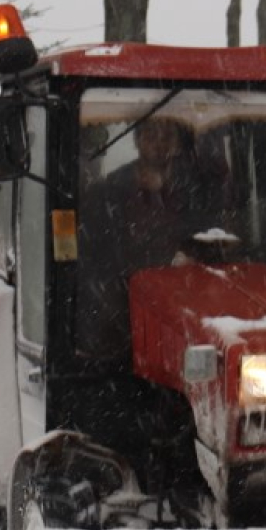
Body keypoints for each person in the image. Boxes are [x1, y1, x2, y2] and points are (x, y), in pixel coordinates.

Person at [76, 118, 230, 358]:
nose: (159, 143)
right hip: (123, 315)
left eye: (167, 135)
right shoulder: (109, 192)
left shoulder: (198, 190)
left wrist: (192, 258)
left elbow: (211, 236)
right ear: (137, 140)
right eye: (151, 134)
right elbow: (98, 257)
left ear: (179, 143)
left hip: (188, 309)